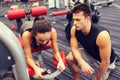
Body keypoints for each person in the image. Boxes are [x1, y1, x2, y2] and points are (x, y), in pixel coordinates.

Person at [66, 3, 116, 80]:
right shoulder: (74, 29)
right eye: (74, 19)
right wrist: (82, 62)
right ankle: (76, 78)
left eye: (78, 20)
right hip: (89, 53)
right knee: (69, 58)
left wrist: (97, 77)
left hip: (103, 61)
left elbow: (105, 62)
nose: (75, 23)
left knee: (99, 77)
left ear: (87, 19)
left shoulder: (102, 35)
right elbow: (74, 48)